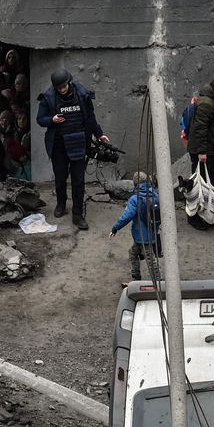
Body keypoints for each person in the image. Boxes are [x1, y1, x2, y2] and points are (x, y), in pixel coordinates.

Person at [34, 69, 106, 229]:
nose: (62, 90)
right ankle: (61, 204)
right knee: (60, 178)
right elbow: (40, 119)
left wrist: (99, 134)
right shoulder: (49, 97)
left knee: (78, 181)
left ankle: (78, 214)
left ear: (69, 82)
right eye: (59, 88)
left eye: (64, 86)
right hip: (59, 146)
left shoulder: (82, 95)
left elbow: (90, 118)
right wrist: (51, 119)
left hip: (78, 143)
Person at [187, 77, 214, 204]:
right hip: (205, 151)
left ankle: (212, 215)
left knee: (212, 183)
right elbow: (199, 129)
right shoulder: (207, 104)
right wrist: (201, 152)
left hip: (210, 149)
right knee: (201, 184)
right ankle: (198, 215)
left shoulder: (213, 101)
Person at [110, 172, 161, 282]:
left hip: (141, 236)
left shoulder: (135, 199)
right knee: (133, 253)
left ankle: (158, 282)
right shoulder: (156, 195)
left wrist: (115, 227)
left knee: (150, 260)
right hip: (152, 233)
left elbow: (127, 216)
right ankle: (136, 278)